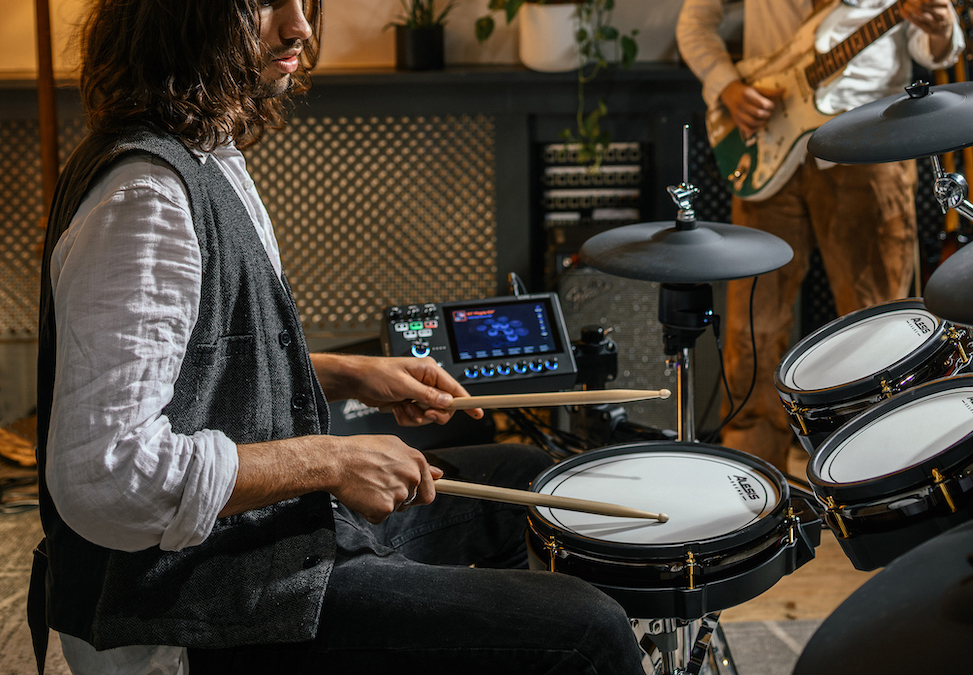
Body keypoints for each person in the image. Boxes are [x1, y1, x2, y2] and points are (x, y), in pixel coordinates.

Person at [30, 1, 645, 673]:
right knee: (589, 629)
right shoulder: (145, 197)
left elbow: (196, 361)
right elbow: (105, 474)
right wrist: (331, 461)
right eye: (265, 3)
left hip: (252, 547)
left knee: (527, 481)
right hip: (191, 605)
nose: (300, 27)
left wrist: (348, 372)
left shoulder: (199, 153)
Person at [676, 0, 965, 470]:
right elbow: (695, 20)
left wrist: (940, 25)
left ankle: (879, 467)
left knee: (879, 321)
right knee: (752, 323)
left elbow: (933, 47)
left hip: (869, 138)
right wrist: (726, 85)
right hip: (768, 138)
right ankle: (749, 476)